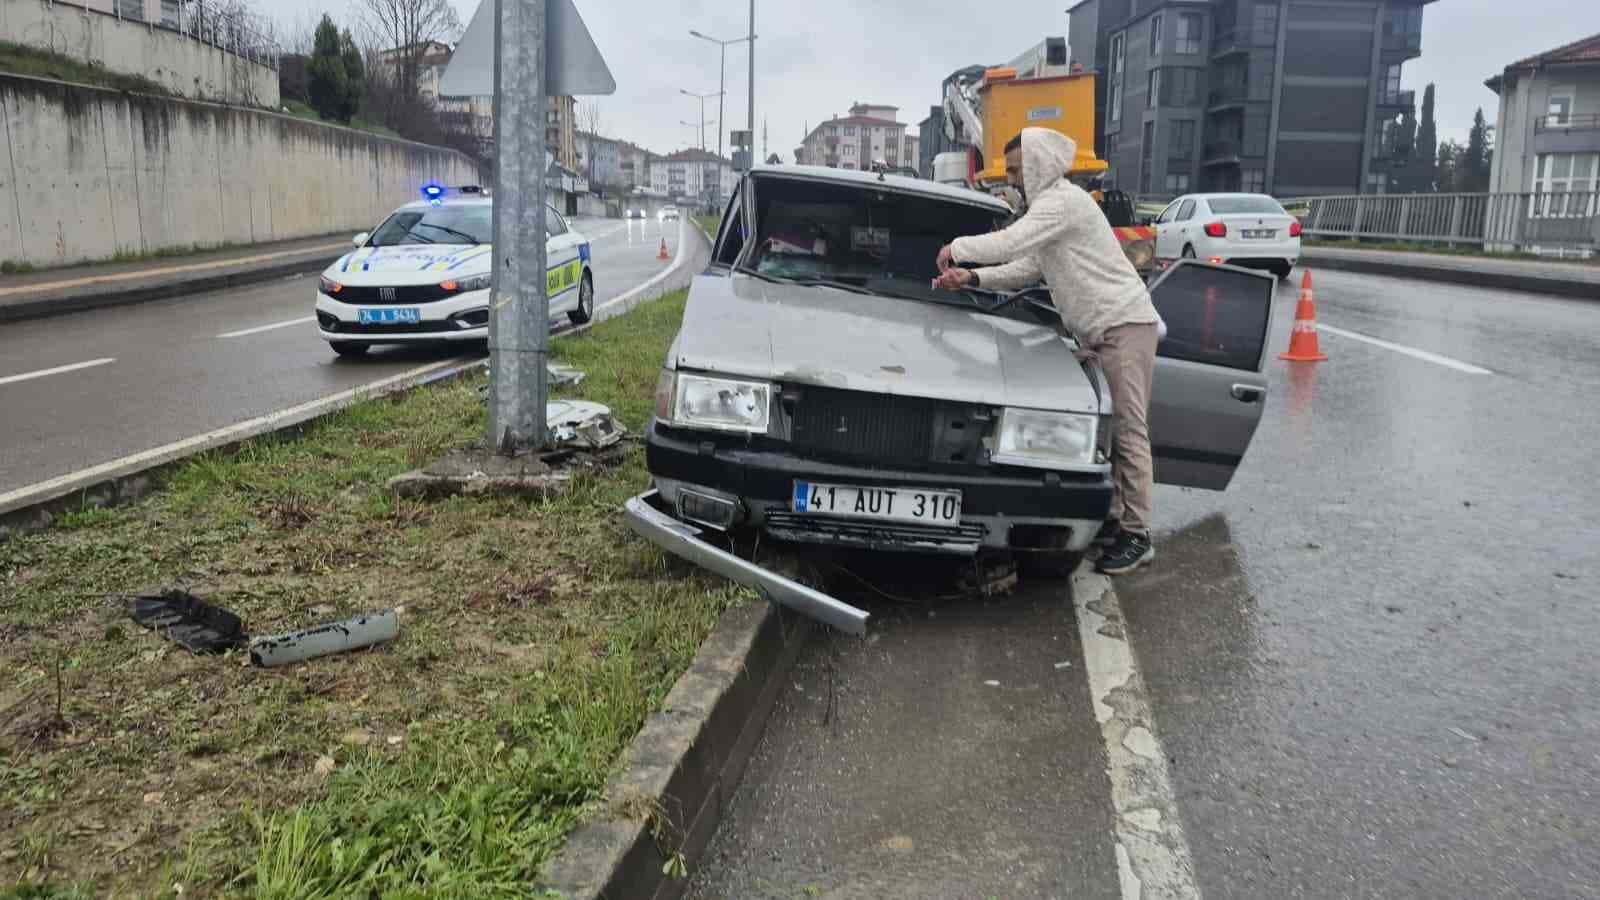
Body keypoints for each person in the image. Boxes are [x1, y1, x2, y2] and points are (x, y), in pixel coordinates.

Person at [934, 127, 1161, 575]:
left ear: (1039, 164)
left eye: (1019, 168)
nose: (1015, 177)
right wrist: (974, 279)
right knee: (1111, 433)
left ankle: (1138, 535)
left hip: (1123, 326)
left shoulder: (1062, 202)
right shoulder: (1055, 212)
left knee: (1130, 431)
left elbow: (1011, 241)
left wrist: (957, 250)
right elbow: (1027, 267)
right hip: (1101, 332)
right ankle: (1116, 523)